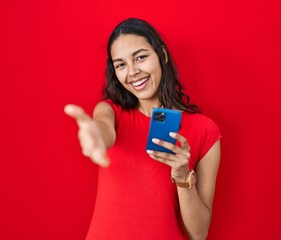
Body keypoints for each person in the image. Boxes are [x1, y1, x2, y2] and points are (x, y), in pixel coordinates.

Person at [64, 18, 221, 240]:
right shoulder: (112, 112)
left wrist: (182, 176)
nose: (133, 71)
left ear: (162, 55)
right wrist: (94, 134)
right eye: (121, 64)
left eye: (140, 57)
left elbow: (199, 235)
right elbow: (103, 128)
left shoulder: (205, 131)